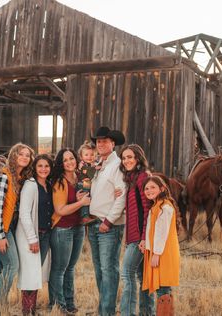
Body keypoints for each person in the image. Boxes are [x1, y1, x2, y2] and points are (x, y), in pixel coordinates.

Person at [0, 143, 35, 315]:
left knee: (3, 267)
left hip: (9, 227)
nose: (24, 157)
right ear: (13, 155)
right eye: (20, 154)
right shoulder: (5, 176)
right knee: (12, 265)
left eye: (27, 155)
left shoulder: (20, 178)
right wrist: (0, 235)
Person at [88, 126, 126, 316]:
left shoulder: (117, 165)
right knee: (99, 270)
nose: (100, 144)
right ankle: (104, 309)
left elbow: (122, 196)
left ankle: (107, 312)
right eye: (98, 141)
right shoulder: (99, 164)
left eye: (105, 141)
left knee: (108, 269)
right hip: (93, 223)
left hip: (108, 226)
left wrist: (109, 221)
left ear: (113, 143)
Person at [49, 148, 90, 314]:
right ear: (61, 163)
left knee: (70, 267)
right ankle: (59, 305)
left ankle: (70, 302)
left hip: (78, 227)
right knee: (60, 269)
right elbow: (60, 209)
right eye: (65, 160)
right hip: (62, 229)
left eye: (71, 158)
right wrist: (81, 203)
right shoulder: (60, 181)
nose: (69, 162)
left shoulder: (79, 177)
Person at [16, 154, 54, 315]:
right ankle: (27, 310)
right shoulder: (30, 185)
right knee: (30, 273)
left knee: (36, 272)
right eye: (40, 166)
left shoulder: (49, 185)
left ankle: (32, 309)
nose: (43, 169)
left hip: (45, 234)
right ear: (34, 168)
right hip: (31, 236)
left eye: (46, 166)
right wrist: (32, 239)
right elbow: (24, 213)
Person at [119, 144, 155, 315]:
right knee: (142, 277)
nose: (126, 161)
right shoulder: (132, 178)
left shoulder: (143, 178)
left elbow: (148, 210)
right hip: (134, 236)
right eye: (124, 158)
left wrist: (143, 238)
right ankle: (147, 313)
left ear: (138, 158)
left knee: (127, 273)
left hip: (139, 237)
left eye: (130, 157)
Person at [142, 176, 180, 316]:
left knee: (163, 287)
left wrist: (156, 253)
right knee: (163, 288)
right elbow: (152, 230)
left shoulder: (165, 207)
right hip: (159, 251)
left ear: (162, 188)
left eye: (153, 187)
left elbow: (161, 232)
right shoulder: (156, 206)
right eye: (146, 188)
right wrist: (146, 243)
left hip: (163, 253)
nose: (149, 190)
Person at [76, 141, 98, 225]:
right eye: (86, 155)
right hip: (83, 185)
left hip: (88, 184)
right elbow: (89, 173)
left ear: (96, 155)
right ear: (81, 157)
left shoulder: (94, 164)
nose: (89, 157)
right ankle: (85, 216)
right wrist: (96, 167)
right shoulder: (82, 165)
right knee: (86, 198)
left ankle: (91, 213)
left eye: (92, 154)